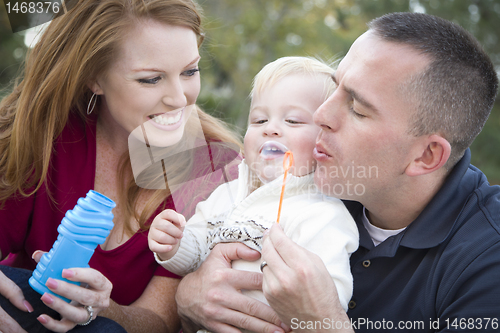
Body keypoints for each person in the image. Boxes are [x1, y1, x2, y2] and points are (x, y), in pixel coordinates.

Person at [175, 12, 500, 333]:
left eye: (357, 109)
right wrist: (189, 297)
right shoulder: (304, 180)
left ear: (426, 156)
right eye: (334, 89)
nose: (320, 114)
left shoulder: (487, 261)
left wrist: (321, 322)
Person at [0, 0, 242, 332]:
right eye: (151, 79)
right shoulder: (45, 135)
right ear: (95, 79)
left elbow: (159, 321)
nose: (179, 98)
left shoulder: (216, 168)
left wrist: (103, 310)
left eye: (189, 71)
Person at [148, 57, 359, 332]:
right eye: (259, 119)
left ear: (324, 140)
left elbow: (330, 298)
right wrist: (174, 244)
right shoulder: (225, 194)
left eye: (293, 120)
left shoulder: (322, 214)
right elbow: (196, 254)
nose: (270, 128)